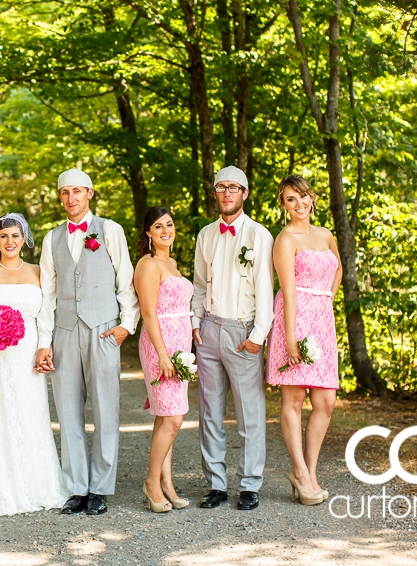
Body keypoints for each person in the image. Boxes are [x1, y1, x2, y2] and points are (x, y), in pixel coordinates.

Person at [36, 168, 140, 516]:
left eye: (77, 191)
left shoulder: (110, 230)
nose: (71, 198)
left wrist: (127, 324)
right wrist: (44, 341)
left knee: (105, 410)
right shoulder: (52, 238)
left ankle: (100, 488)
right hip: (64, 331)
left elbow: (126, 279)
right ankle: (77, 487)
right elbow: (46, 295)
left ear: (90, 194)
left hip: (104, 329)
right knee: (68, 413)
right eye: (65, 193)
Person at [0, 213, 69, 516]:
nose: (10, 241)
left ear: (24, 239)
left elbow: (47, 315)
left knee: (30, 413)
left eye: (15, 235)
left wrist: (43, 347)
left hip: (29, 354)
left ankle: (36, 485)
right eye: (4, 236)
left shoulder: (39, 272)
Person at [191, 166, 274, 511]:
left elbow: (267, 291)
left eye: (233, 188)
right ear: (215, 192)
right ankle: (215, 485)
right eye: (221, 187)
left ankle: (249, 485)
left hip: (243, 332)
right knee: (210, 412)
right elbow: (197, 283)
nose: (226, 193)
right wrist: (195, 323)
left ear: (245, 193)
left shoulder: (259, 236)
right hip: (208, 330)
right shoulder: (206, 234)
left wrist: (258, 336)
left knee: (249, 413)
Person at [266, 175, 341, 506]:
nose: (299, 204)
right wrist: (291, 337)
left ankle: (309, 472)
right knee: (294, 399)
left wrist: (326, 301)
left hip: (323, 321)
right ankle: (299, 470)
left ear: (312, 198)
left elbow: (337, 269)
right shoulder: (285, 239)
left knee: (326, 401)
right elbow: (288, 289)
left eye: (303, 197)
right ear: (283, 205)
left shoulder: (325, 235)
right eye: (290, 199)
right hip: (293, 321)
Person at [133, 206, 193, 513]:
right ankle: (152, 482)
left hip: (180, 343)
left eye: (169, 225)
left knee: (164, 416)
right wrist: (163, 354)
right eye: (158, 226)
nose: (165, 230)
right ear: (148, 233)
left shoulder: (173, 262)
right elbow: (148, 312)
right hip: (160, 345)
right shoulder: (148, 264)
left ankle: (167, 483)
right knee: (173, 417)